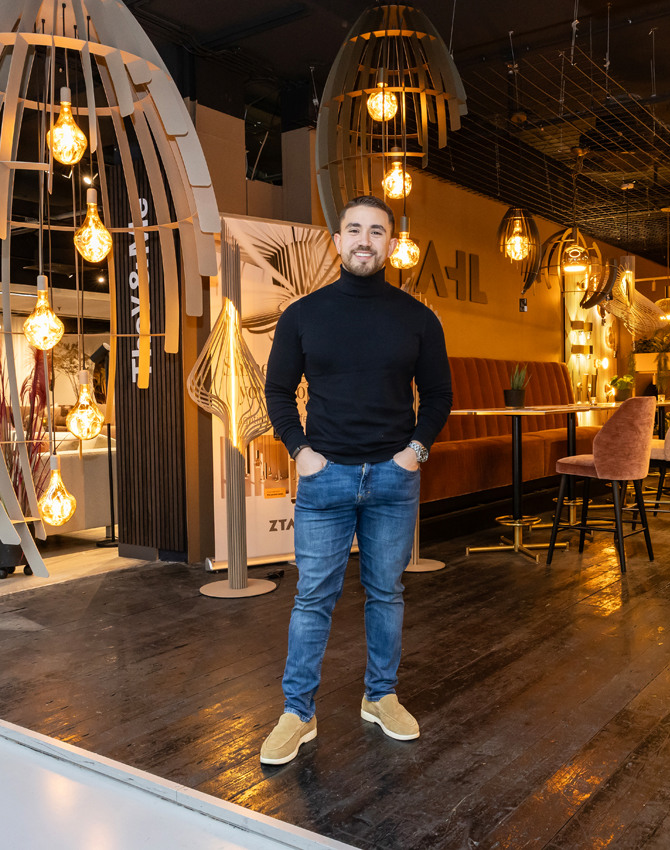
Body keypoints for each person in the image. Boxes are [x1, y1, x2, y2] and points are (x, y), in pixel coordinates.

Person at [260, 195, 453, 765]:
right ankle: (298, 713)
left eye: (376, 231)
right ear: (337, 241)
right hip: (325, 478)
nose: (365, 240)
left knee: (386, 593)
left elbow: (438, 395)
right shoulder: (303, 315)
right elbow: (277, 390)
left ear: (390, 243)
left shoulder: (418, 318)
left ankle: (380, 696)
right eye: (354, 230)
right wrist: (300, 451)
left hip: (394, 478)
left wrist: (415, 452)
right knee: (312, 597)